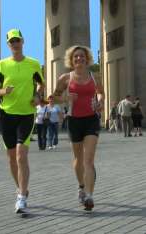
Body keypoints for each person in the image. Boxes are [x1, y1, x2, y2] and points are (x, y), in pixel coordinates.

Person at [0, 28, 44, 214]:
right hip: (7, 114)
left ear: (23, 41)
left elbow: (41, 83)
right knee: (12, 157)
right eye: (12, 41)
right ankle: (21, 187)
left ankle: (21, 197)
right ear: (8, 45)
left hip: (26, 114)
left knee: (21, 155)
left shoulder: (33, 64)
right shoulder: (1, 65)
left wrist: (37, 96)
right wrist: (3, 92)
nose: (15, 44)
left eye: (17, 40)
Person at [52, 45, 105, 211]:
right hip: (74, 121)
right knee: (78, 160)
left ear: (87, 58)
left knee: (88, 160)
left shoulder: (94, 76)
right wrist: (66, 97)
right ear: (71, 60)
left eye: (82, 56)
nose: (79, 59)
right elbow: (54, 97)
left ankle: (89, 196)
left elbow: (101, 92)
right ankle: (81, 186)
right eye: (76, 57)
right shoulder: (65, 78)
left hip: (91, 120)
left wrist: (100, 102)